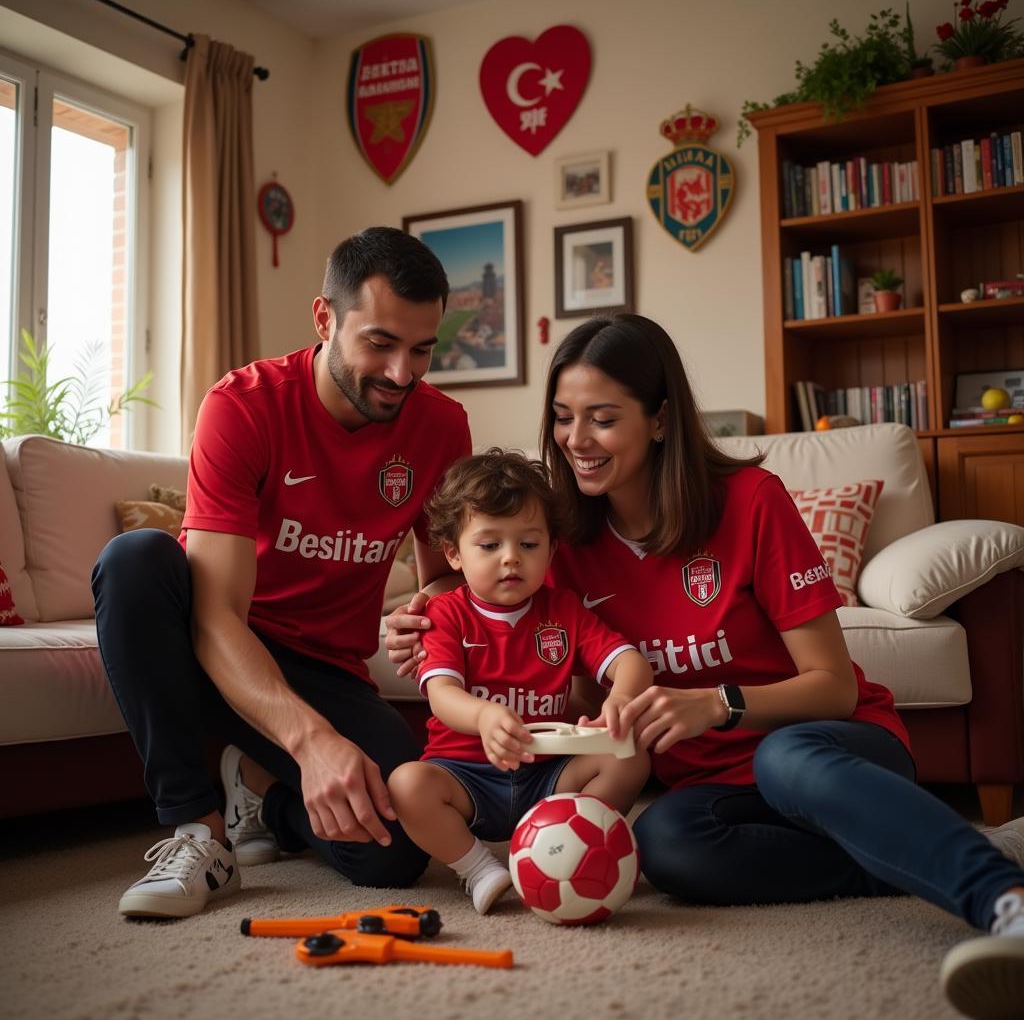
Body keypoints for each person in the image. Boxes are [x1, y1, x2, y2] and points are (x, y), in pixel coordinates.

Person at [387, 313, 1024, 1018]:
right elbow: (497, 598)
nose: (576, 440)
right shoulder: (562, 538)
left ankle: (1001, 898)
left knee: (786, 760)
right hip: (712, 787)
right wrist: (429, 610)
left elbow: (834, 687)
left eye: (602, 418)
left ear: (660, 420)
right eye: (564, 417)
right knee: (666, 847)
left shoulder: (752, 503)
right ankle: (916, 843)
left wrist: (718, 703)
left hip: (830, 748)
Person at [92, 227, 471, 919]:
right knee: (136, 560)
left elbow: (445, 578)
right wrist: (312, 740)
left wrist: (435, 614)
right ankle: (199, 834)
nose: (402, 374)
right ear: (324, 319)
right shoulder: (244, 406)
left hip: (327, 667)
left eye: (421, 350)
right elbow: (213, 616)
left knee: (395, 852)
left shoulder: (443, 427)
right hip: (221, 647)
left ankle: (264, 797)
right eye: (380, 344)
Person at [387, 449, 651, 914]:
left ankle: (565, 844)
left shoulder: (564, 610)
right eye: (489, 546)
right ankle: (478, 870)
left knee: (629, 758)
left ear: (551, 550)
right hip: (465, 774)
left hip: (548, 773)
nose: (511, 559)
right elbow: (442, 695)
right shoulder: (446, 614)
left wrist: (622, 700)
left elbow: (629, 660)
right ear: (454, 553)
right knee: (408, 785)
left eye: (528, 545)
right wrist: (485, 716)